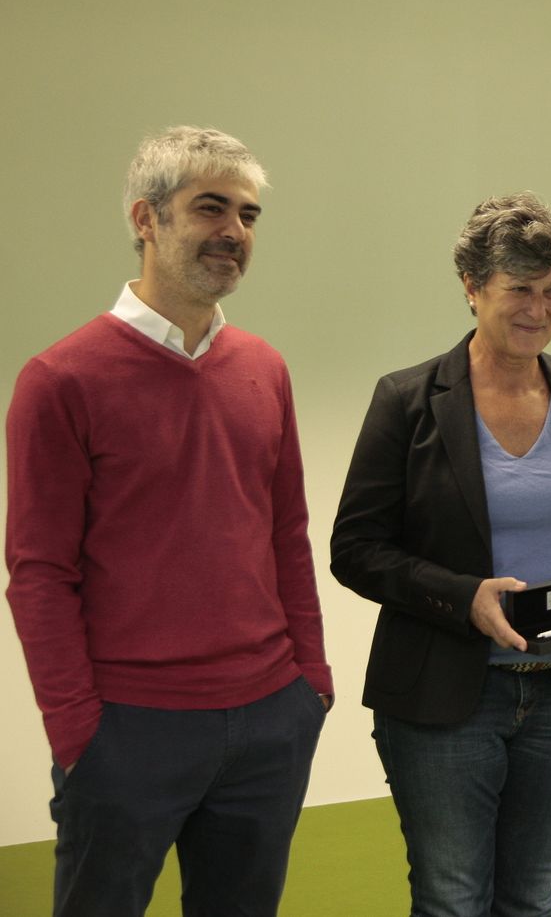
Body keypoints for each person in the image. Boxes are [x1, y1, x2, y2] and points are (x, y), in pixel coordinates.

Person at [5, 126, 331, 916]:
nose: (234, 233)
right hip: (127, 730)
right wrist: (78, 730)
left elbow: (286, 534)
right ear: (145, 220)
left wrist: (309, 686)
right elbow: (40, 572)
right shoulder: (61, 379)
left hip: (268, 722)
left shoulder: (264, 369)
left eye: (248, 216)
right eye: (210, 208)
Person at [330, 192, 551, 917]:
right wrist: (462, 595)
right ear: (472, 288)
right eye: (518, 290)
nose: (538, 308)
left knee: (536, 895)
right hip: (446, 698)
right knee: (451, 899)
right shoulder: (408, 400)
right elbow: (355, 549)